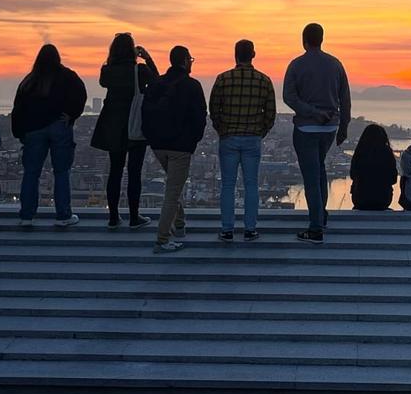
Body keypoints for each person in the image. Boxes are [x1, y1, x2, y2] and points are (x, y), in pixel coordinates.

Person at [282, 22, 351, 244]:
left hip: (305, 127)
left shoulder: (296, 65)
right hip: (330, 128)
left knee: (311, 176)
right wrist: (343, 127)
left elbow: (289, 97)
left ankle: (315, 228)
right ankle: (321, 214)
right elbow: (345, 100)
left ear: (304, 40)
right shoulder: (335, 64)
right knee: (319, 169)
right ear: (322, 39)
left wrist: (311, 112)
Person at [11, 44, 87, 228]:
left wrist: (20, 132)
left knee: (31, 173)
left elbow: (18, 108)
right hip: (59, 127)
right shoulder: (68, 76)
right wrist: (71, 114)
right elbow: (81, 95)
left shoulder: (29, 81)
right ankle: (63, 215)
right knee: (61, 172)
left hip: (33, 130)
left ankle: (27, 216)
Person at [209, 39, 276, 242]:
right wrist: (259, 131)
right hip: (252, 138)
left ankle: (227, 229)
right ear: (253, 55)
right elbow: (270, 114)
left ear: (235, 54)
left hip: (228, 138)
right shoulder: (264, 81)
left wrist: (223, 130)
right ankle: (250, 229)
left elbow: (213, 109)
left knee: (228, 185)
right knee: (251, 184)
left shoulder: (223, 79)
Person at [91, 32, 159, 229]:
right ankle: (134, 216)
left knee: (115, 171)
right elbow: (157, 82)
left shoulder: (107, 71)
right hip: (134, 123)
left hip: (113, 125)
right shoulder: (139, 70)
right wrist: (147, 58)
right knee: (134, 172)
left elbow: (104, 83)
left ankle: (113, 217)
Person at [142, 45, 207, 253]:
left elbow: (146, 113)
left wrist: (151, 138)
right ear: (186, 61)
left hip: (159, 146)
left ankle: (179, 224)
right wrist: (192, 141)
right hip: (181, 147)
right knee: (172, 192)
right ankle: (162, 238)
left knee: (174, 185)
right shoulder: (192, 86)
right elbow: (200, 118)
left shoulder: (157, 84)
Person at [348, 124, 397, 211]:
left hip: (360, 200)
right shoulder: (387, 153)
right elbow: (393, 179)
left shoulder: (360, 152)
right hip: (383, 200)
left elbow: (352, 175)